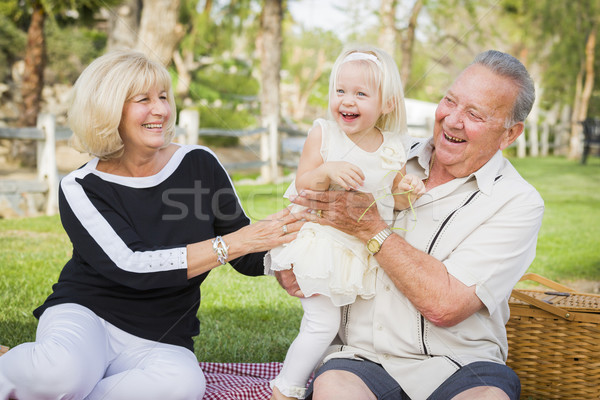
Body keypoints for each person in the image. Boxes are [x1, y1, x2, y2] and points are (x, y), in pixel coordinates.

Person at [0, 50, 302, 400]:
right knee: (60, 376)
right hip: (88, 315)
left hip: (163, 334)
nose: (160, 109)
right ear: (108, 109)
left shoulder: (199, 163)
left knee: (183, 387)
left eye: (163, 97)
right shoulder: (81, 187)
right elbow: (132, 265)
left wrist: (278, 261)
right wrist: (234, 244)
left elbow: (244, 250)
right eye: (143, 100)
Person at [276, 49, 545, 400]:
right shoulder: (388, 152)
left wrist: (371, 228)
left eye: (474, 114)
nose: (452, 120)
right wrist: (286, 260)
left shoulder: (517, 201)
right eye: (450, 101)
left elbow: (446, 306)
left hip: (461, 364)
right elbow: (302, 204)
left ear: (509, 135)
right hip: (362, 357)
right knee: (333, 390)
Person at [265, 45, 425, 400]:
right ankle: (285, 388)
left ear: (387, 104)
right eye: (340, 91)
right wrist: (326, 170)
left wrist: (407, 188)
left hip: (358, 250)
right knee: (323, 322)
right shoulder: (325, 133)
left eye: (360, 94)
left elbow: (394, 198)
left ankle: (324, 380)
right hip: (320, 243)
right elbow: (303, 183)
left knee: (340, 329)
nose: (347, 101)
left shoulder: (393, 146)